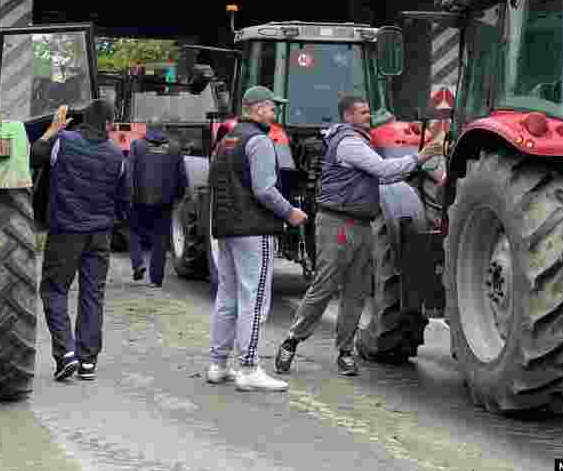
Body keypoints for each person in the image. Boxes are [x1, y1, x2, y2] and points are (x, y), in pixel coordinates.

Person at [274, 94, 443, 377]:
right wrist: (420, 158)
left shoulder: (361, 140)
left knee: (357, 291)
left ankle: (344, 352)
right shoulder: (349, 143)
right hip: (337, 224)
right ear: (348, 116)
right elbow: (383, 171)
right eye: (363, 112)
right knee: (325, 285)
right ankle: (292, 340)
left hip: (362, 224)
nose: (368, 116)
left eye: (368, 111)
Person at [206, 86, 309, 392]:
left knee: (228, 296)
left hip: (226, 228)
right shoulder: (260, 141)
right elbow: (264, 189)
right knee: (255, 297)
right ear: (257, 108)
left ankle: (218, 364)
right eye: (271, 107)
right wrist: (290, 213)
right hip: (254, 229)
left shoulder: (227, 140)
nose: (274, 113)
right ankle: (249, 366)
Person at [31, 99, 129, 382]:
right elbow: (124, 201)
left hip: (66, 231)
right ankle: (88, 361)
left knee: (54, 290)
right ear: (108, 124)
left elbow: (33, 156)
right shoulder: (116, 155)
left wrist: (52, 128)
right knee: (92, 295)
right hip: (100, 235)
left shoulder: (64, 141)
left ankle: (66, 354)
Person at [128, 117, 188, 287]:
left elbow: (130, 173)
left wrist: (129, 196)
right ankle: (156, 280)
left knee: (133, 231)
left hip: (140, 200)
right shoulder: (175, 148)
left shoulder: (137, 146)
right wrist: (179, 196)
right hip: (164, 202)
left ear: (147, 128)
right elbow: (182, 176)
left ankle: (138, 263)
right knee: (160, 240)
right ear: (164, 129)